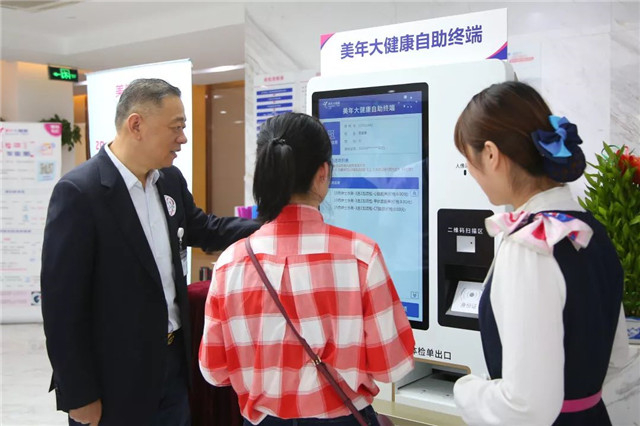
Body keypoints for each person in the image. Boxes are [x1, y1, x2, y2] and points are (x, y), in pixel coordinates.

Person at [41, 78, 259, 426]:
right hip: (113, 379)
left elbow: (204, 229)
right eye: (176, 127)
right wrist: (78, 395)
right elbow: (62, 308)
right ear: (136, 125)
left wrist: (272, 224)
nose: (183, 138)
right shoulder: (81, 193)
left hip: (172, 366)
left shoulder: (169, 180)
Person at [199, 112, 415, 426]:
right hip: (344, 418)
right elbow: (392, 365)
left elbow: (214, 371)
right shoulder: (361, 256)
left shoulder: (231, 262)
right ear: (322, 173)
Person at [451, 81, 629, 425]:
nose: (471, 172)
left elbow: (525, 406)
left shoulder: (530, 245)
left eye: (468, 160)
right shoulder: (590, 229)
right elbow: (617, 357)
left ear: (491, 154)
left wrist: (466, 389)